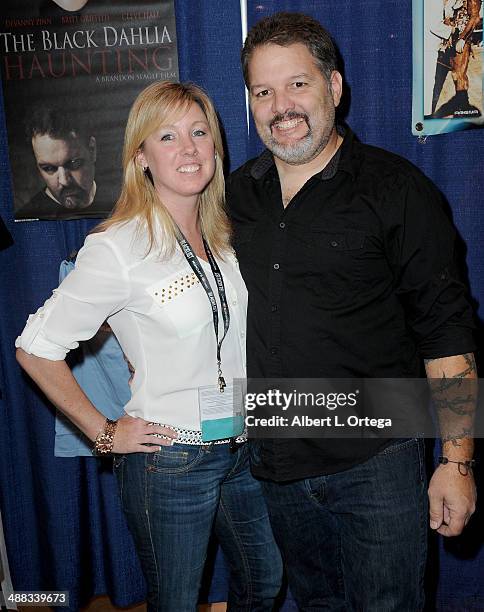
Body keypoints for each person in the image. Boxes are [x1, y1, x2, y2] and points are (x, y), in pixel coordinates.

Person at [228, 12, 477, 610]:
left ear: (334, 87)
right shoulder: (235, 195)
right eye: (263, 91)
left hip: (378, 463)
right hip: (279, 460)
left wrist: (457, 462)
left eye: (297, 84)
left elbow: (447, 334)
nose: (280, 105)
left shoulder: (398, 191)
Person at [16, 81, 282, 611]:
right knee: (177, 602)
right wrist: (104, 433)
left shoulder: (231, 235)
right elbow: (34, 348)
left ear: (216, 145)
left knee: (265, 581)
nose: (188, 149)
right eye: (167, 136)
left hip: (242, 446)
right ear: (141, 156)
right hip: (170, 460)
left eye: (199, 132)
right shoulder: (117, 247)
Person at [16, 107, 109, 220]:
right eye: (48, 168)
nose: (64, 181)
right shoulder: (27, 216)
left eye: (74, 164)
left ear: (92, 149)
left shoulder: (124, 199)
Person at [433, 0, 482, 117]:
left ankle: (463, 107)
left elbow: (475, 18)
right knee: (456, 74)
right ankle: (462, 104)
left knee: (459, 74)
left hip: (461, 41)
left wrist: (463, 38)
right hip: (454, 40)